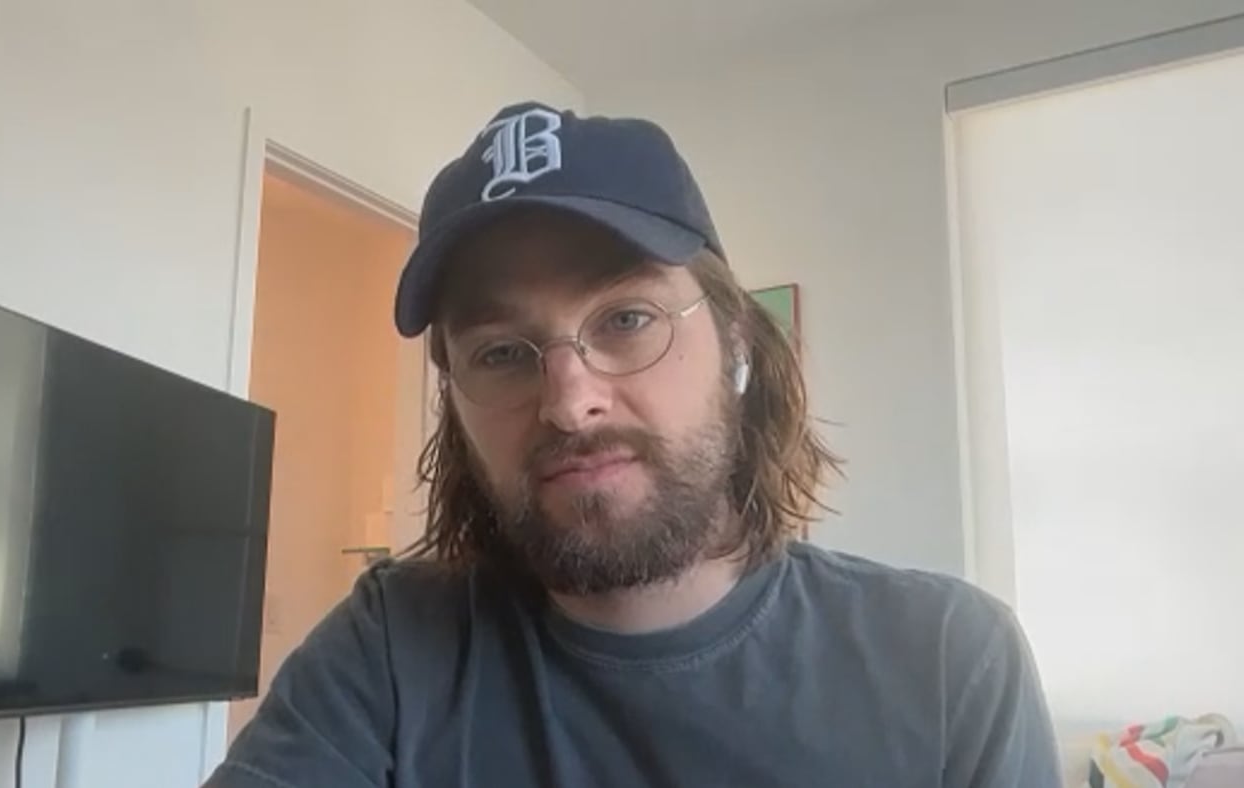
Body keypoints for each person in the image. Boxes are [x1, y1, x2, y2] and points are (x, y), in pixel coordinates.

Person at [205, 101, 1063, 787]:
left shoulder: (950, 659)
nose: (570, 402)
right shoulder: (391, 646)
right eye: (502, 353)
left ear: (737, 344)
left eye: (626, 319)